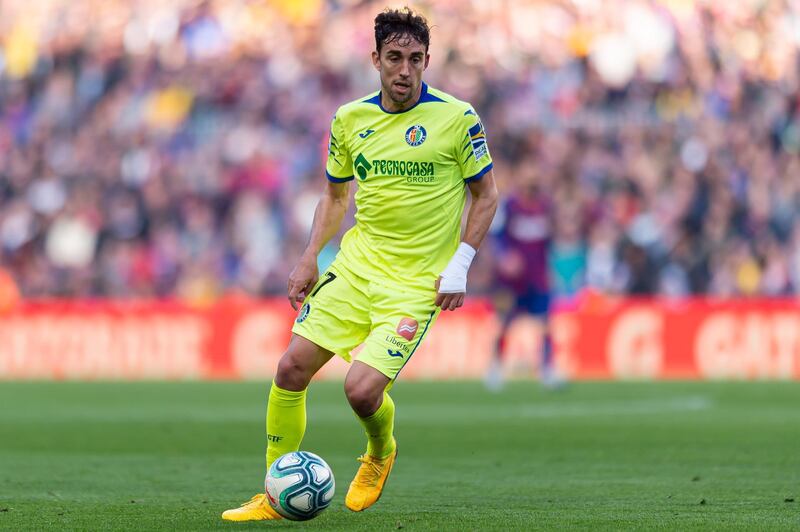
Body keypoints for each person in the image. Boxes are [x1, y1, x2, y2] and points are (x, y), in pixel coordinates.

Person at [222, 7, 497, 521]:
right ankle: (274, 491)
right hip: (355, 268)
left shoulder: (457, 118)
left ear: (427, 61)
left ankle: (379, 453)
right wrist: (309, 257)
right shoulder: (351, 119)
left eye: (415, 59)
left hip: (417, 284)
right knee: (290, 367)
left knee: (361, 390)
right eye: (394, 57)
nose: (404, 70)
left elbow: (486, 196)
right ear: (375, 58)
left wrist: (461, 263)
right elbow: (333, 198)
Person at [485, 164, 560, 391]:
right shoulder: (510, 206)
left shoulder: (546, 207)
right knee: (504, 322)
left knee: (546, 323)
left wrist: (550, 268)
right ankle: (496, 367)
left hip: (537, 276)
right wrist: (504, 257)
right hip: (512, 280)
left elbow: (549, 242)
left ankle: (547, 368)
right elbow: (496, 236)